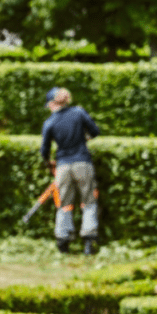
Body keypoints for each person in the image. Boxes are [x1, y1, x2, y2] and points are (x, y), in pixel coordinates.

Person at [40, 87, 101, 255]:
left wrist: (48, 163)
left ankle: (63, 240)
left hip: (63, 166)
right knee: (88, 201)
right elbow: (95, 131)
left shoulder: (50, 122)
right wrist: (84, 138)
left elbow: (44, 149)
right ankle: (89, 242)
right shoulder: (79, 113)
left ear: (53, 103)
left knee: (64, 204)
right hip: (83, 162)